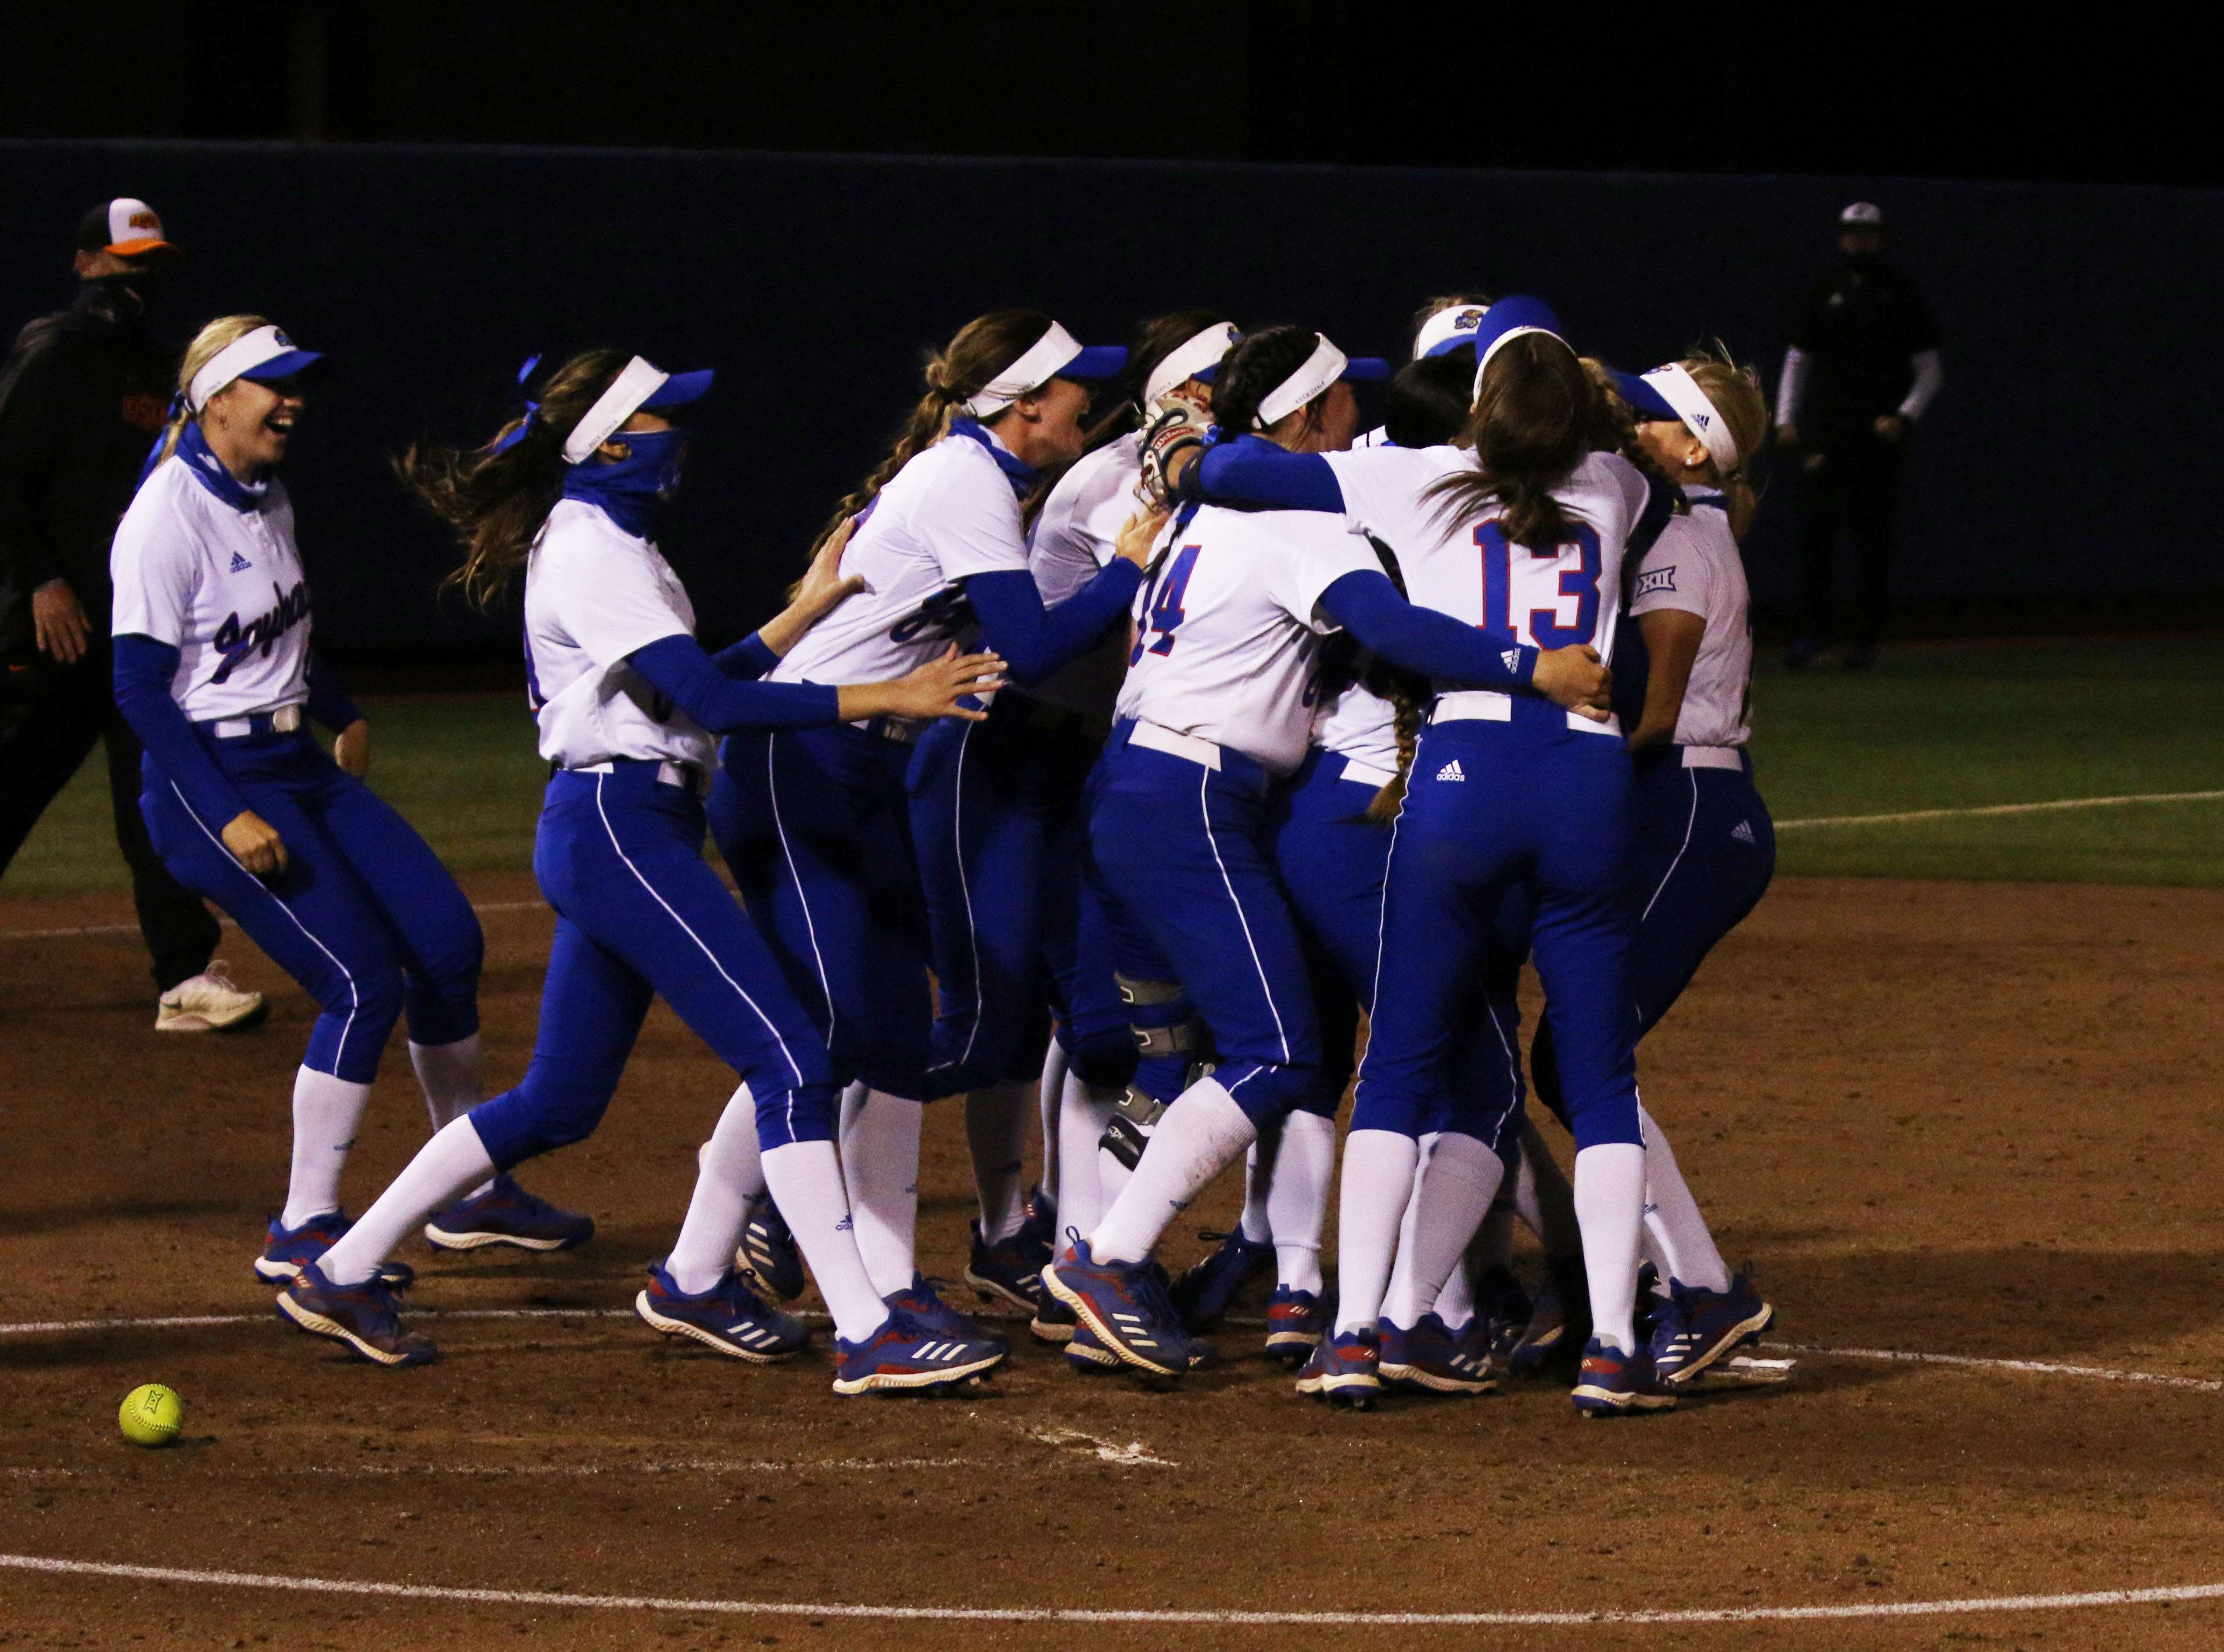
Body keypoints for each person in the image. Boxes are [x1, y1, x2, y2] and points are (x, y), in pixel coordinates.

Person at [279, 349, 1010, 1395]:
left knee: (558, 1099)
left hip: (618, 824)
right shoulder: (592, 550)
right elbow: (711, 709)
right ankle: (865, 1324)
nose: (679, 435)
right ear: (611, 443)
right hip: (621, 826)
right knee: (796, 1059)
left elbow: (684, 691)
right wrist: (877, 697)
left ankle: (346, 1270)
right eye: (661, 419)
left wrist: (798, 619)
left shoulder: (611, 540)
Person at [1042, 323, 1615, 1384]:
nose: (1358, 417)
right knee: (1295, 1054)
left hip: (1146, 784)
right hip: (1196, 795)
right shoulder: (1303, 522)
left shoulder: (1208, 511)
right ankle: (1113, 1256)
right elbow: (1392, 628)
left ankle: (1277, 1278)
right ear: (1305, 420)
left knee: (1230, 1051)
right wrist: (1531, 666)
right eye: (1341, 403)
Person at [1161, 299, 1680, 1414]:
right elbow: (1636, 442)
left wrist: (1194, 439)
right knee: (1599, 1082)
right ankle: (1608, 1344)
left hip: (1460, 780)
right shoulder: (1616, 485)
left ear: (1481, 394)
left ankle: (1350, 1334)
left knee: (1396, 1065)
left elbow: (1228, 478)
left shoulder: (1419, 475)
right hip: (1587, 780)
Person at [107, 315, 584, 1288]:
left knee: (447, 947)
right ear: (215, 399)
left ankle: (468, 1187)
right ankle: (303, 1225)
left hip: (298, 766)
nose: (293, 399)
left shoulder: (264, 494)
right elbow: (139, 690)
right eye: (272, 382)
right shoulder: (166, 514)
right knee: (362, 983)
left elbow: (266, 639)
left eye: (296, 382)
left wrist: (337, 705)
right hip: (215, 781)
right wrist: (228, 812)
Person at [709, 310, 1142, 1336]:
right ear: (1026, 404)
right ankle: (753, 1259)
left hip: (856, 758)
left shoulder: (975, 472)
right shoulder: (966, 481)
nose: (1092, 397)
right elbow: (1031, 649)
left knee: (887, 1030)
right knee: (835, 1031)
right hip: (799, 757)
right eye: (1075, 384)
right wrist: (1129, 564)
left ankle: (841, 1269)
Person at [908, 310, 1240, 1330]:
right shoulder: (1118, 482)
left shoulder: (1200, 477)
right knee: (978, 1024)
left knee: (1089, 1025)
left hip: (1074, 761)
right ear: (1188, 399)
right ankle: (770, 1189)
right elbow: (1126, 634)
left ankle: (1049, 1244)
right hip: (996, 755)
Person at [1523, 350, 1780, 1385]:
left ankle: (1703, 1288)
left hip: (1689, 808)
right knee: (1570, 1061)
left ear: (1687, 445)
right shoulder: (1667, 522)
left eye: (1642, 416)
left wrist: (1546, 770)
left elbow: (1657, 712)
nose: (1622, 426)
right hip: (1676, 805)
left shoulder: (1678, 537)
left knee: (1577, 1060)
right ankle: (1653, 1277)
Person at [0, 198, 262, 1032]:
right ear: (83, 264)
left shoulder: (162, 370)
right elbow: (4, 482)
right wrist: (41, 581)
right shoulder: (52, 355)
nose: (133, 279)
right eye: (120, 262)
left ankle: (185, 976)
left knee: (154, 800)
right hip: (51, 630)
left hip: (136, 634)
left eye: (148, 265)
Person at [1776, 202, 1944, 669]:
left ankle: (1863, 641)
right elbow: (1797, 358)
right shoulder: (1824, 288)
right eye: (1853, 232)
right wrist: (1785, 420)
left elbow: (1930, 370)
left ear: (1880, 237)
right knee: (1816, 537)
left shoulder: (1899, 292)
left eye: (1868, 233)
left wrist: (1904, 416)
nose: (1860, 241)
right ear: (1842, 236)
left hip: (1876, 439)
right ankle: (1812, 635)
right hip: (1826, 435)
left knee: (1871, 541)